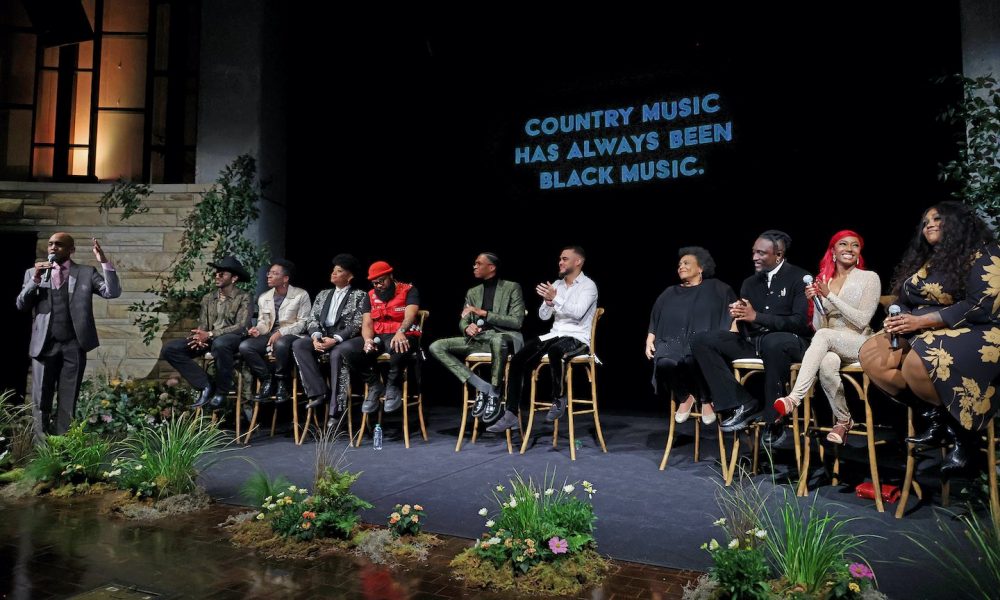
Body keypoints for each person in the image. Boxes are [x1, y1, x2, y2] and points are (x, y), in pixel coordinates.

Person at [859, 201, 1000, 477]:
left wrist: (922, 321)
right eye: (925, 222)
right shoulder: (928, 262)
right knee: (872, 356)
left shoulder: (986, 254)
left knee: (916, 363)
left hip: (978, 330)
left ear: (959, 224)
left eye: (938, 219)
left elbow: (980, 305)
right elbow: (905, 299)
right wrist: (898, 318)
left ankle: (965, 437)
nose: (929, 225)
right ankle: (937, 418)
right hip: (922, 329)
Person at [690, 230, 811, 440]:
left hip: (789, 342)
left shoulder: (799, 278)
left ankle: (775, 419)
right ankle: (742, 402)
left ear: (778, 255)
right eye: (754, 252)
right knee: (702, 340)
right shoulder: (750, 282)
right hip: (755, 341)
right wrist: (740, 315)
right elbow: (746, 323)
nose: (755, 257)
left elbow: (800, 323)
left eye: (761, 253)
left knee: (773, 342)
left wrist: (756, 316)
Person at [772, 231, 881, 444]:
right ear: (833, 251)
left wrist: (829, 296)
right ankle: (843, 421)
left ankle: (794, 398)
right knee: (827, 362)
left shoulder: (869, 278)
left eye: (855, 245)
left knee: (824, 337)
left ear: (859, 252)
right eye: (843, 244)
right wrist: (817, 304)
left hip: (861, 342)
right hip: (832, 342)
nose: (849, 249)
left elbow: (862, 320)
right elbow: (820, 327)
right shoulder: (825, 280)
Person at [17, 233, 121, 438]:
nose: (53, 248)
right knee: (40, 400)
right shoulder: (33, 273)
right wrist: (35, 280)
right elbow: (21, 304)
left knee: (68, 400)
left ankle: (63, 450)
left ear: (71, 250)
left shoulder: (85, 272)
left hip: (73, 345)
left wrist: (104, 262)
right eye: (51, 244)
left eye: (59, 245)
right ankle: (41, 451)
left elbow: (112, 292)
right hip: (44, 345)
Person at [487, 246, 598, 433]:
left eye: (564, 259)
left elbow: (578, 314)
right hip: (554, 335)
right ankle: (511, 413)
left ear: (577, 262)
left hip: (577, 337)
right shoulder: (557, 284)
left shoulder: (589, 286)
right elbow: (543, 317)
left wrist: (556, 299)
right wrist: (547, 303)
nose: (560, 262)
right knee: (518, 358)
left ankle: (559, 398)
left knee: (557, 351)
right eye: (560, 259)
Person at [429, 252, 525, 423]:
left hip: (505, 339)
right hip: (481, 339)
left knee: (497, 339)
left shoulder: (512, 288)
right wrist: (467, 327)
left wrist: (483, 313)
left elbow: (516, 322)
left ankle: (495, 392)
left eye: (478, 263)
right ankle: (483, 387)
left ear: (492, 267)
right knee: (436, 346)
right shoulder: (473, 292)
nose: (474, 266)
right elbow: (463, 319)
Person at [645, 246, 736, 425]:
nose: (681, 267)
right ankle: (685, 397)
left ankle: (705, 399)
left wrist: (732, 332)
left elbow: (734, 309)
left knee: (692, 358)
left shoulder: (717, 288)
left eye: (686, 263)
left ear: (700, 268)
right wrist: (650, 338)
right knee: (663, 362)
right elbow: (655, 317)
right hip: (672, 341)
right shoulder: (669, 292)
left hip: (702, 341)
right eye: (679, 264)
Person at [160, 256, 252, 409]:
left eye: (222, 274)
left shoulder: (244, 297)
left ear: (234, 278)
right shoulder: (208, 298)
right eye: (216, 273)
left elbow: (241, 326)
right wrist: (199, 337)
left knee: (220, 343)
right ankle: (206, 385)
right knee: (171, 348)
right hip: (210, 340)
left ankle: (222, 392)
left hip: (232, 340)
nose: (217, 276)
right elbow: (203, 324)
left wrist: (210, 335)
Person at [292, 254, 367, 420]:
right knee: (299, 345)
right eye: (333, 270)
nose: (333, 273)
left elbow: (357, 324)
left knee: (337, 353)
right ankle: (319, 392)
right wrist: (316, 337)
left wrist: (336, 339)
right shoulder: (323, 294)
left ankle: (336, 410)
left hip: (345, 338)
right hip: (324, 335)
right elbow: (312, 319)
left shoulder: (360, 295)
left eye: (339, 271)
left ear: (350, 276)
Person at [347, 261, 421, 414]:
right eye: (375, 283)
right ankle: (374, 385)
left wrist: (401, 331)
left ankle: (393, 386)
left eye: (382, 281)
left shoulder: (409, 290)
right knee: (351, 353)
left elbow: (410, 315)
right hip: (379, 336)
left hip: (404, 334)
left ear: (391, 276)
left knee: (399, 346)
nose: (378, 285)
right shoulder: (370, 296)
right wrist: (368, 340)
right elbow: (367, 323)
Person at [240, 259, 311, 404]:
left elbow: (304, 323)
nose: (269, 276)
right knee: (246, 347)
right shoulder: (264, 297)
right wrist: (257, 330)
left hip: (292, 335)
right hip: (269, 335)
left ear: (285, 278)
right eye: (269, 273)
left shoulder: (301, 295)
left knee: (281, 343)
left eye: (274, 273)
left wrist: (282, 332)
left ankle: (282, 382)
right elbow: (263, 322)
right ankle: (267, 379)